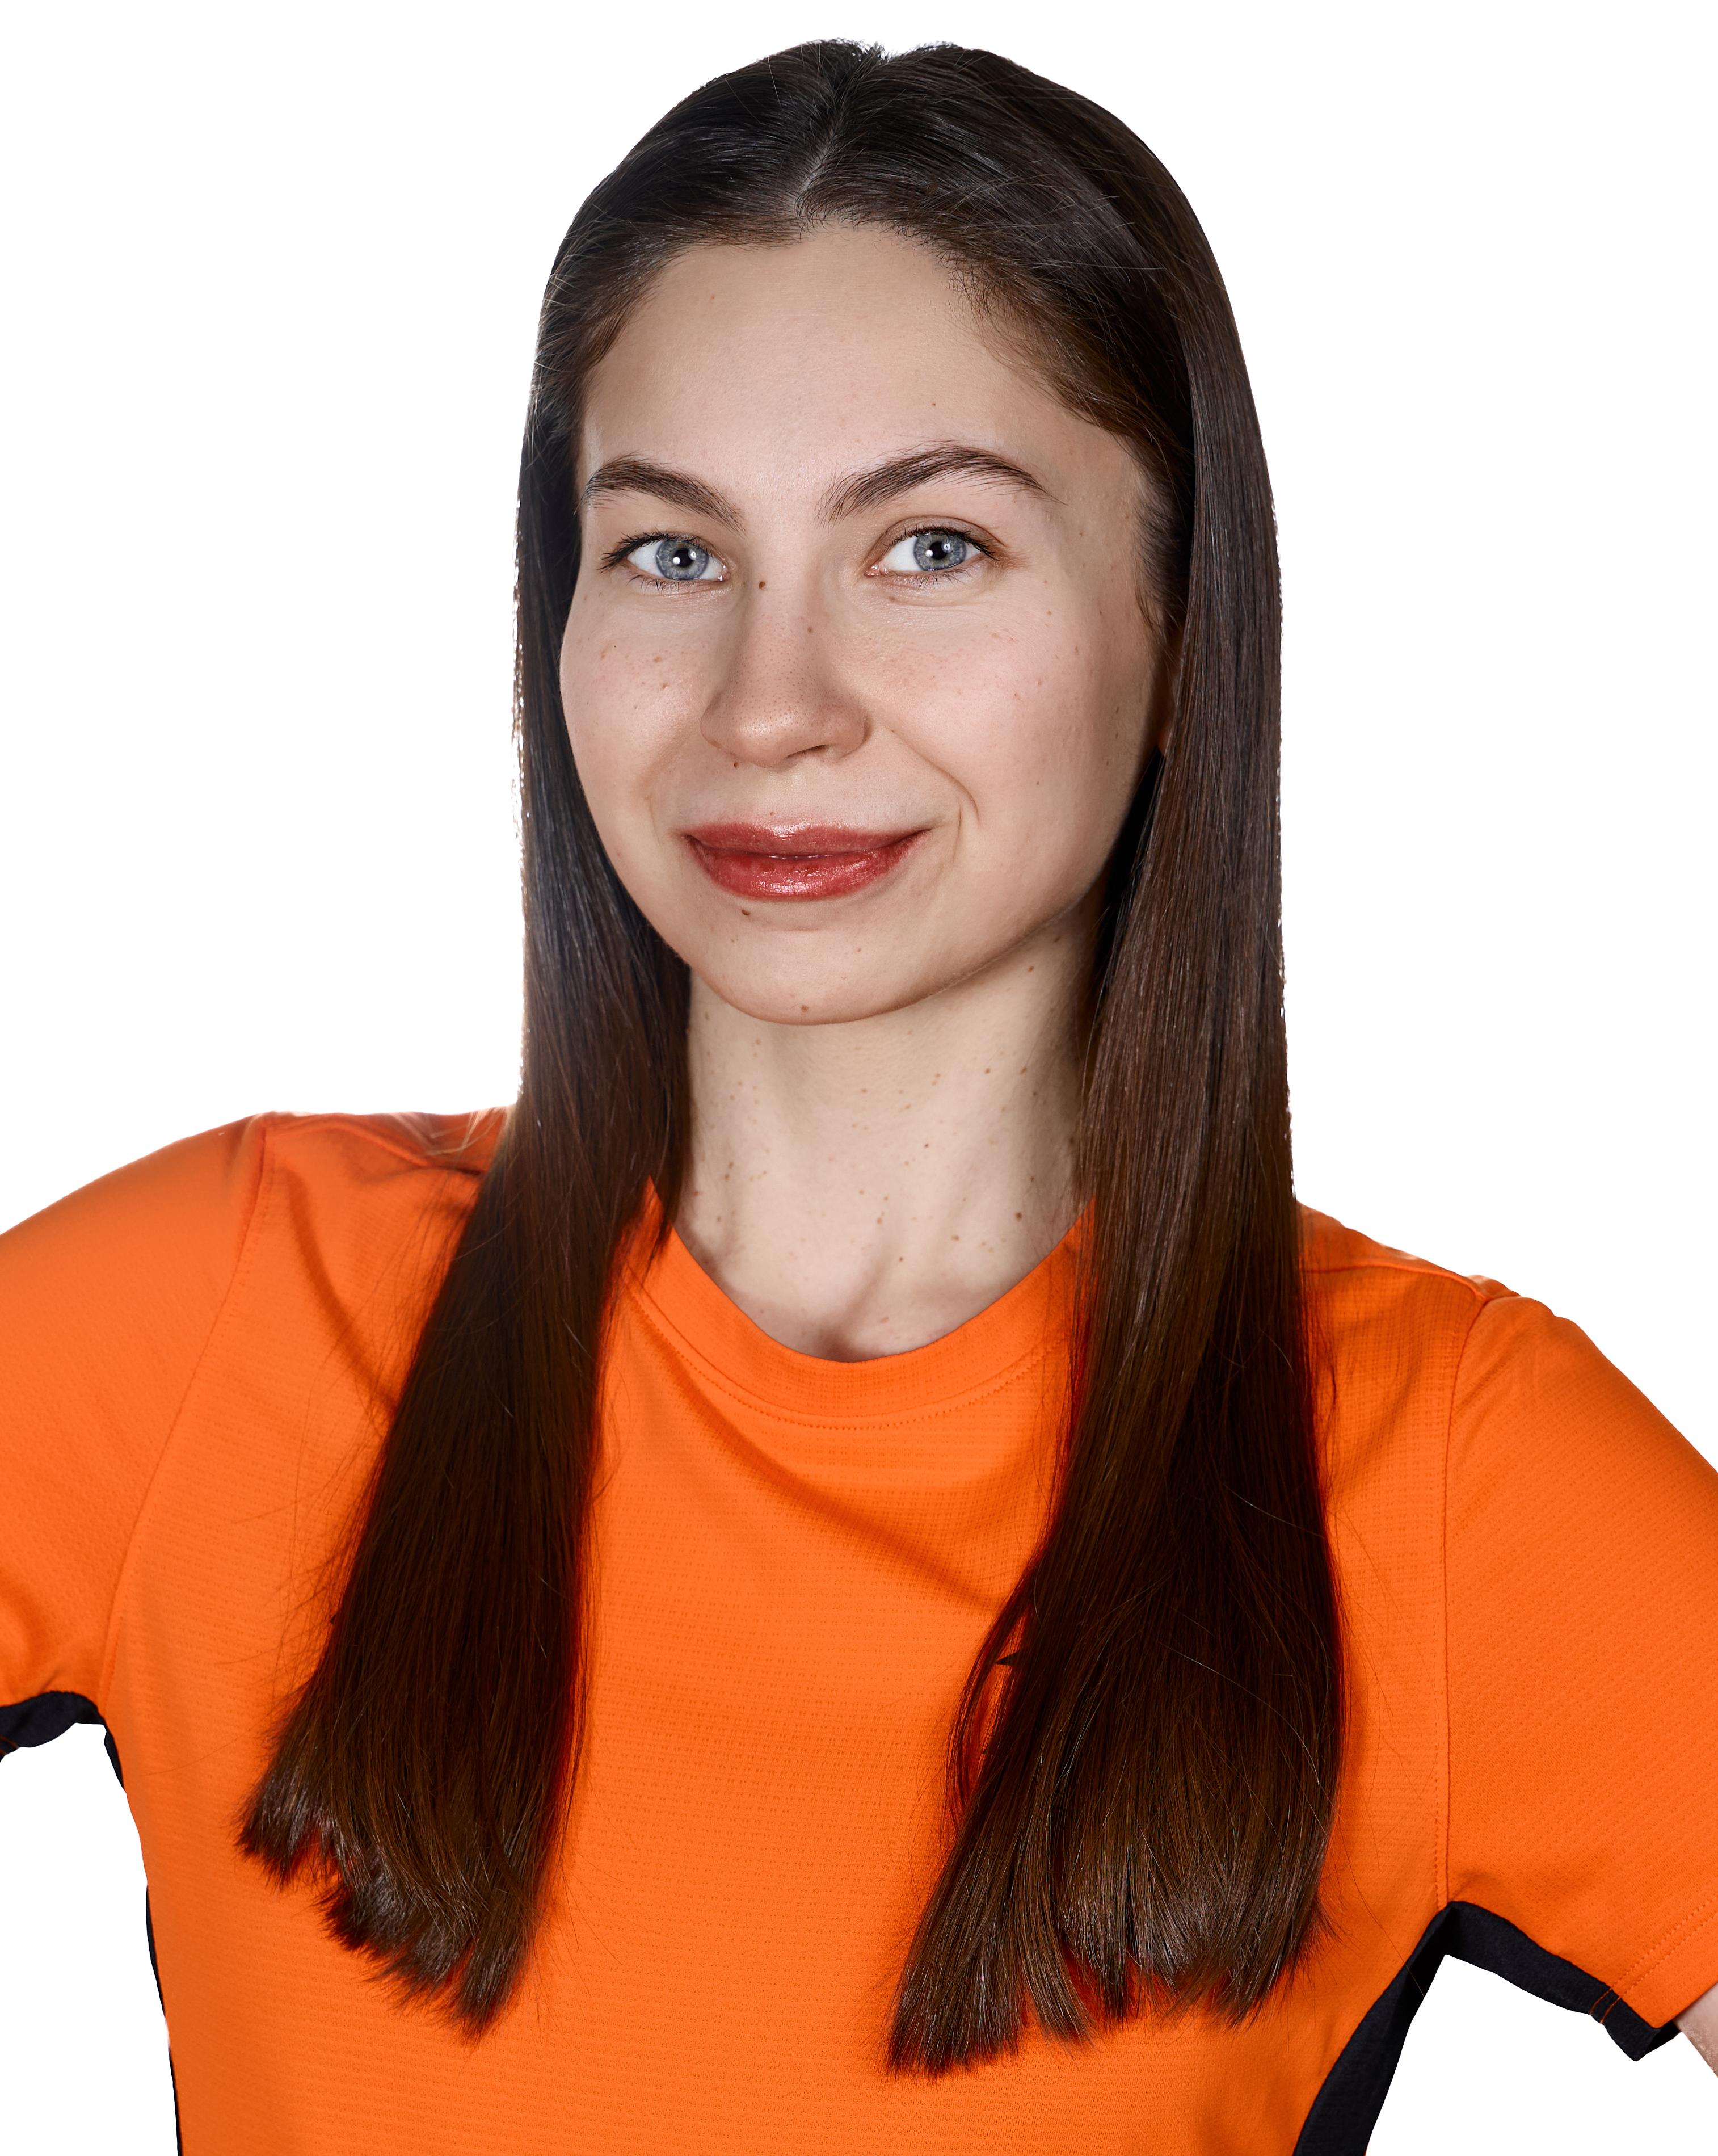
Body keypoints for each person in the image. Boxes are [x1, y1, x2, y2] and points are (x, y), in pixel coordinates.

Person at [2, 37, 1713, 2155]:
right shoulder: (217, 1311)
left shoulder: (1439, 1467)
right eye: (670, 555)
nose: (770, 706)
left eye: (930, 548)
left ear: (1179, 632)